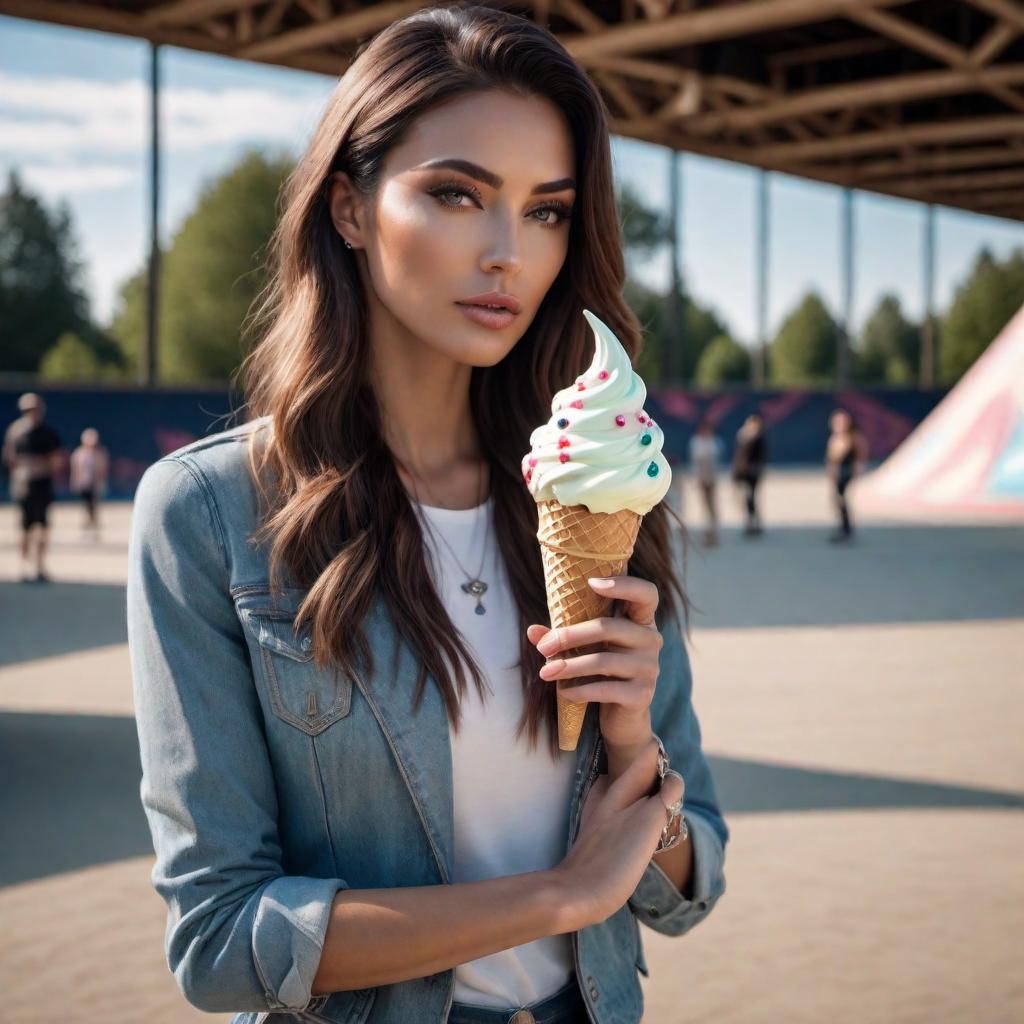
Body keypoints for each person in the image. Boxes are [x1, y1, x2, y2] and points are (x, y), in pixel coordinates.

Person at [126, 8, 728, 1024]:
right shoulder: (209, 515)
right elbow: (222, 941)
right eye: (457, 194)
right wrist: (557, 896)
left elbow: (685, 882)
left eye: (546, 211)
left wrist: (634, 752)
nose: (508, 252)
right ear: (351, 207)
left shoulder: (593, 488)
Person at [2, 392, 62, 582]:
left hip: (43, 484)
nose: (32, 413)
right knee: (24, 528)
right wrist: (21, 472)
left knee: (43, 527)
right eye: (28, 409)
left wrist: (41, 466)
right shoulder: (16, 432)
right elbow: (9, 457)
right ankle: (24, 565)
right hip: (23, 486)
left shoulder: (48, 434)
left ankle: (40, 565)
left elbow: (57, 459)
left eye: (35, 409)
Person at [825, 408, 868, 543]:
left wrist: (858, 468)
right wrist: (831, 471)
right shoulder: (835, 438)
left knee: (843, 500)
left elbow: (861, 454)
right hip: (839, 472)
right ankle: (843, 527)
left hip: (847, 471)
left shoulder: (853, 438)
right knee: (838, 501)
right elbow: (831, 459)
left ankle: (846, 529)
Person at [687, 418, 723, 547]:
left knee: (712, 505)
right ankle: (708, 531)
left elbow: (715, 459)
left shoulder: (713, 441)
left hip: (711, 477)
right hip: (703, 477)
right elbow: (697, 461)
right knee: (705, 504)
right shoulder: (697, 442)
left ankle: (713, 531)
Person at [731, 412, 767, 537]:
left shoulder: (758, 437)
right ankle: (750, 522)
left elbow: (761, 456)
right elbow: (738, 456)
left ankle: (753, 522)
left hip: (752, 472)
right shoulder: (743, 436)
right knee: (746, 497)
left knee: (751, 497)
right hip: (743, 472)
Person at [70, 427, 109, 538]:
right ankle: (88, 523)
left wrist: (102, 482)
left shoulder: (101, 453)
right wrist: (75, 482)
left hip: (95, 484)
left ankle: (94, 525)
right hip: (84, 483)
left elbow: (104, 470)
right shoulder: (78, 453)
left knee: (94, 505)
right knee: (86, 505)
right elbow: (76, 470)